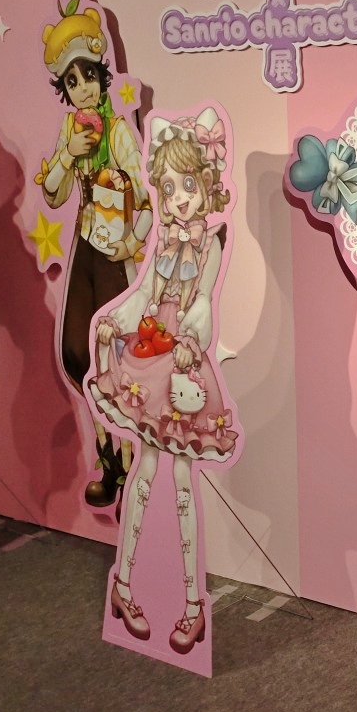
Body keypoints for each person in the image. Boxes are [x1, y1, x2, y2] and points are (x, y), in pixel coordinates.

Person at [90, 109, 237, 655]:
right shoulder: (166, 242)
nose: (178, 199)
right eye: (168, 188)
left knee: (179, 480)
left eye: (187, 185)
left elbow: (201, 305)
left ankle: (193, 605)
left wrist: (192, 341)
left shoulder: (208, 243)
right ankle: (125, 586)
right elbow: (144, 297)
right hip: (150, 356)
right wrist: (115, 320)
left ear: (207, 184)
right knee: (144, 474)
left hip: (181, 362)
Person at [37, 0, 152, 509]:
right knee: (76, 353)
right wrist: (69, 154)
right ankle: (107, 453)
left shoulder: (120, 132)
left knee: (117, 360)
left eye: (88, 76)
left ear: (102, 76)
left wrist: (132, 241)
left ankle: (126, 460)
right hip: (85, 248)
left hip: (115, 256)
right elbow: (53, 194)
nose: (82, 88)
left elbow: (147, 197)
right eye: (72, 81)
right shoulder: (72, 132)